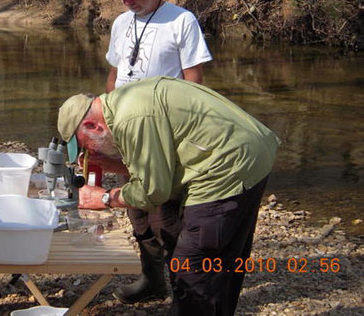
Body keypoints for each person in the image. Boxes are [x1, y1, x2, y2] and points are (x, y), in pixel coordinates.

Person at [57, 76, 280, 316]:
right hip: (251, 152)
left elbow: (153, 191)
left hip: (228, 166)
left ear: (93, 126)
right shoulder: (125, 101)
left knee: (193, 265)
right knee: (222, 260)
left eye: (86, 145)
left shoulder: (132, 119)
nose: (90, 151)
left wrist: (104, 198)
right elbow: (164, 166)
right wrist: (113, 165)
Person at [104, 0, 213, 304]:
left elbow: (194, 81)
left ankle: (185, 284)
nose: (127, 0)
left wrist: (185, 132)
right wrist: (107, 113)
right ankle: (152, 279)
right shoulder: (121, 23)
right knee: (135, 207)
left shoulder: (182, 21)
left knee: (165, 210)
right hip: (126, 130)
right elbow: (115, 72)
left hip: (165, 131)